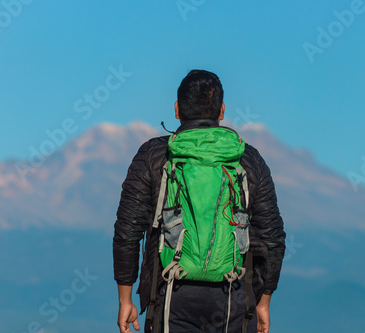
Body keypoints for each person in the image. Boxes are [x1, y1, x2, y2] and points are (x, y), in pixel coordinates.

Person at [113, 70, 286, 333]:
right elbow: (272, 238)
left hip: (170, 292)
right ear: (222, 111)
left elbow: (127, 230)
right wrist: (263, 302)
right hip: (235, 297)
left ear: (176, 109)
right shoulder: (249, 159)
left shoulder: (154, 155)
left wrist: (125, 299)